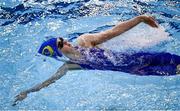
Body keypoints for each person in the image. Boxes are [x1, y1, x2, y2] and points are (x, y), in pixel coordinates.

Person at [13, 15, 180, 106]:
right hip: (137, 71)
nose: (66, 42)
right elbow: (48, 82)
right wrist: (27, 92)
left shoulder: (84, 41)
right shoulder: (71, 66)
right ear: (57, 52)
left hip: (139, 58)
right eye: (61, 44)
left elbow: (114, 31)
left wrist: (139, 19)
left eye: (62, 39)